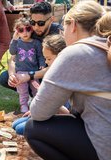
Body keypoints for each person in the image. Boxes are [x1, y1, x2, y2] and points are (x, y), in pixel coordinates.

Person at [24, 1, 111, 160]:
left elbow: (38, 112)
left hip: (105, 148)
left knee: (33, 129)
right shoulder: (106, 45)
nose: (63, 34)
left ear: (73, 26)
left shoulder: (76, 53)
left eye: (64, 29)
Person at [0, 1, 62, 91]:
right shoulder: (28, 31)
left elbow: (59, 66)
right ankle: (29, 94)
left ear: (51, 19)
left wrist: (29, 76)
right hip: (29, 70)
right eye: (33, 22)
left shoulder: (58, 33)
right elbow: (12, 58)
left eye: (41, 23)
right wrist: (12, 74)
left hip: (50, 73)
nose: (36, 27)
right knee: (4, 77)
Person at [12, 34, 68, 135]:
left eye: (49, 59)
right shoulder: (52, 73)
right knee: (15, 125)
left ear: (61, 55)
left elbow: (66, 112)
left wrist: (45, 103)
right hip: (48, 112)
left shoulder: (65, 76)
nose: (46, 62)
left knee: (20, 129)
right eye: (45, 58)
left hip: (60, 117)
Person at [9, 16, 45, 113]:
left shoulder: (36, 43)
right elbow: (12, 52)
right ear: (17, 32)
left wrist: (42, 64)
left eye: (28, 29)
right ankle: (23, 105)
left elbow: (40, 56)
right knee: (22, 91)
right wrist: (14, 39)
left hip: (33, 72)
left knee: (36, 89)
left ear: (31, 30)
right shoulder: (17, 42)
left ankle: (37, 105)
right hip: (20, 72)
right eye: (21, 30)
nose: (25, 32)